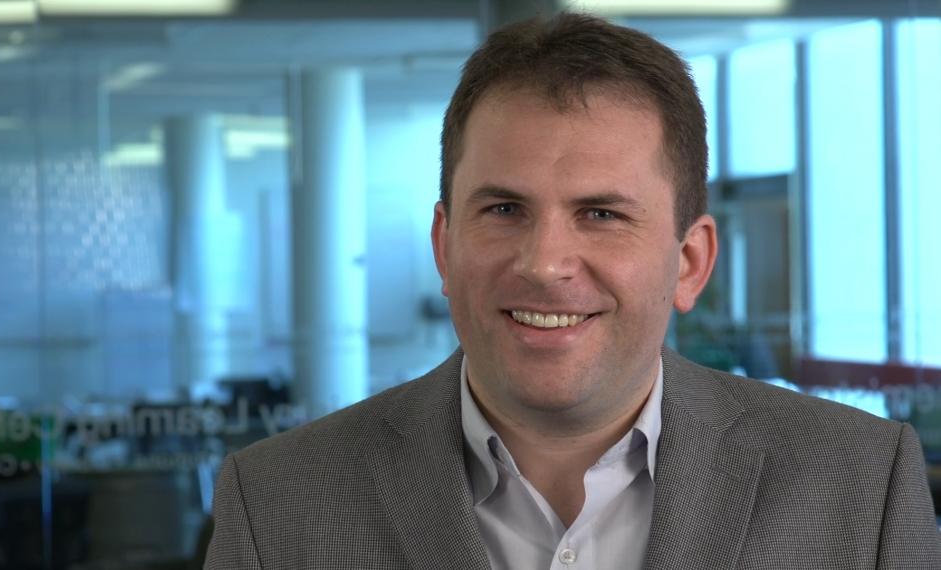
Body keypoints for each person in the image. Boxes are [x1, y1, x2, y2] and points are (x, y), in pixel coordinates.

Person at [205, 13, 941, 569]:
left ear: (689, 261)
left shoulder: (858, 486)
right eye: (502, 210)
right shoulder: (275, 506)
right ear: (443, 244)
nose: (545, 262)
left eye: (600, 214)